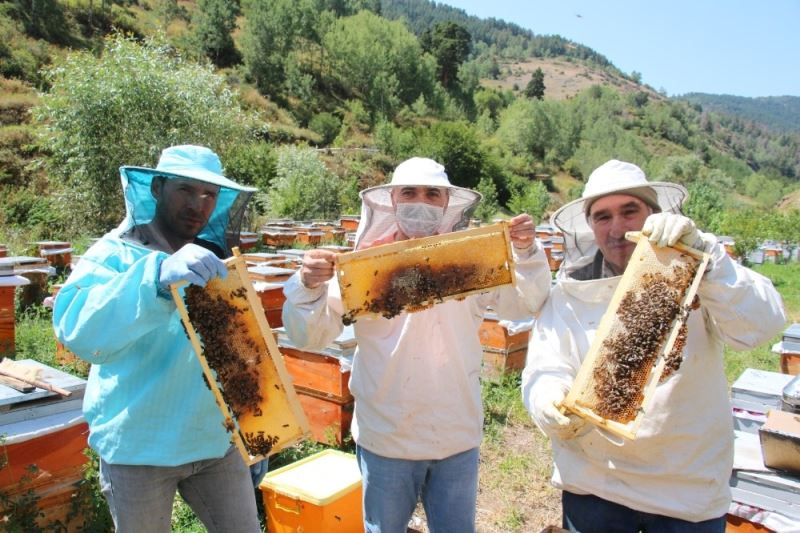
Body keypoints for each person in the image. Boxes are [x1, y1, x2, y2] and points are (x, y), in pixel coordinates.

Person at [282, 157, 551, 533]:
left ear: (447, 202)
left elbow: (524, 304)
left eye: (432, 193)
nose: (421, 201)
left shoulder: (471, 259)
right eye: (409, 192)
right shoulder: (364, 266)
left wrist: (526, 253)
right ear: (392, 201)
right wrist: (308, 286)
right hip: (387, 437)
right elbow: (310, 335)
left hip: (456, 433)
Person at [521, 159, 787, 532]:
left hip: (686, 493)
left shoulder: (697, 276)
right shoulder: (568, 295)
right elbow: (546, 365)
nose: (617, 228)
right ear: (590, 226)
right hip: (595, 485)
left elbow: (762, 325)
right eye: (603, 217)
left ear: (653, 214)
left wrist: (711, 261)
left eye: (629, 211)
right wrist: (546, 397)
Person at [53, 145, 262, 532]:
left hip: (213, 440)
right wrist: (156, 280)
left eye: (209, 194)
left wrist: (249, 421)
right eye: (185, 189)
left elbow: (236, 350)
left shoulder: (211, 259)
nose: (198, 204)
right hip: (138, 447)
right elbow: (77, 330)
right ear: (156, 188)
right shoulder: (114, 254)